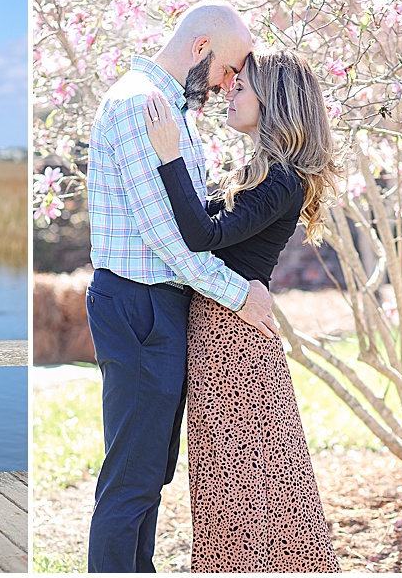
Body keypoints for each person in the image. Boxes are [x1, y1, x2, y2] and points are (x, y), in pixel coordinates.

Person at [85, 0, 277, 572]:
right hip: (139, 303)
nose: (227, 85)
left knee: (150, 475)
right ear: (200, 50)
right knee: (132, 481)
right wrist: (241, 294)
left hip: (155, 307)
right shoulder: (137, 106)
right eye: (226, 69)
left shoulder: (170, 111)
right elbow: (171, 240)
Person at [142, 49, 342, 571]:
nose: (228, 91)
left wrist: (168, 156)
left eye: (241, 87)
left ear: (273, 102)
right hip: (221, 339)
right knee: (230, 491)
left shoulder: (283, 179)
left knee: (254, 496)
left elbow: (202, 234)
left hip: (238, 348)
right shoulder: (257, 172)